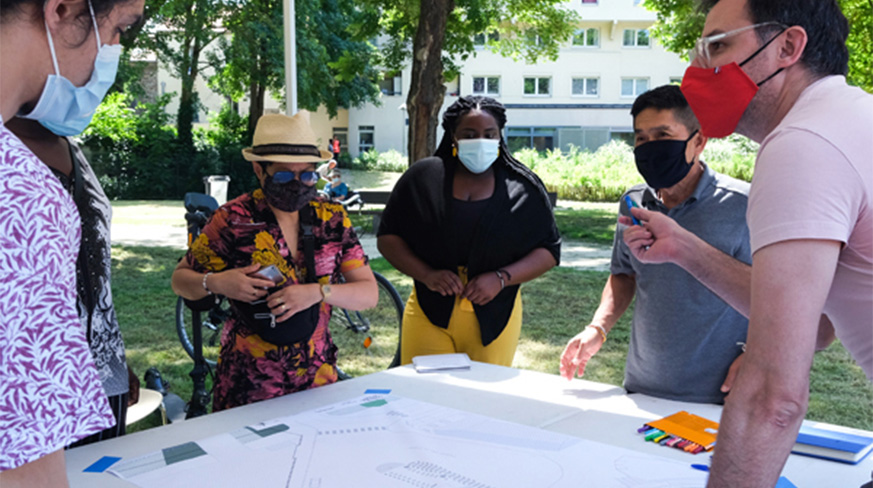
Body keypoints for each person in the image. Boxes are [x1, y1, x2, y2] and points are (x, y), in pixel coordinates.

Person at [621, 1, 871, 485]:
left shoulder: (804, 142)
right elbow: (816, 325)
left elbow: (772, 397)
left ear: (788, 47)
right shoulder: (849, 117)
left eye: (718, 46)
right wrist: (684, 247)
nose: (698, 68)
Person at [0, 0, 144, 485]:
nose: (116, 49)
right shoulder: (17, 193)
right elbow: (27, 466)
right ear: (61, 9)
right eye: (121, 27)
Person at [171, 112, 378, 411]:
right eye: (283, 175)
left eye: (307, 175)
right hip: (248, 385)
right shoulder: (233, 218)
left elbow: (368, 294)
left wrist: (319, 292)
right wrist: (216, 282)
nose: (297, 185)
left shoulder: (331, 218)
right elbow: (180, 280)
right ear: (259, 170)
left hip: (317, 380)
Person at [559, 85, 751, 404]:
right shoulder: (634, 202)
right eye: (641, 138)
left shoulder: (744, 205)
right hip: (642, 387)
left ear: (699, 141)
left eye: (663, 135)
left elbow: (777, 298)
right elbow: (623, 274)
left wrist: (758, 355)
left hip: (722, 392)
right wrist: (598, 328)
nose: (650, 148)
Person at [377, 95, 561, 366]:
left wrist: (501, 278)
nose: (481, 141)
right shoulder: (422, 178)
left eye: (489, 134)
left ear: (500, 137)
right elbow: (388, 237)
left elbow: (549, 250)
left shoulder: (523, 187)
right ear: (453, 137)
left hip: (495, 314)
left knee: (482, 399)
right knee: (422, 396)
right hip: (430, 309)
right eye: (470, 134)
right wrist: (427, 274)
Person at [6, 118, 140, 446]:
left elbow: (95, 267)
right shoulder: (6, 154)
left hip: (105, 371)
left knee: (105, 473)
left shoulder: (73, 149)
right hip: (37, 380)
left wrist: (119, 360)